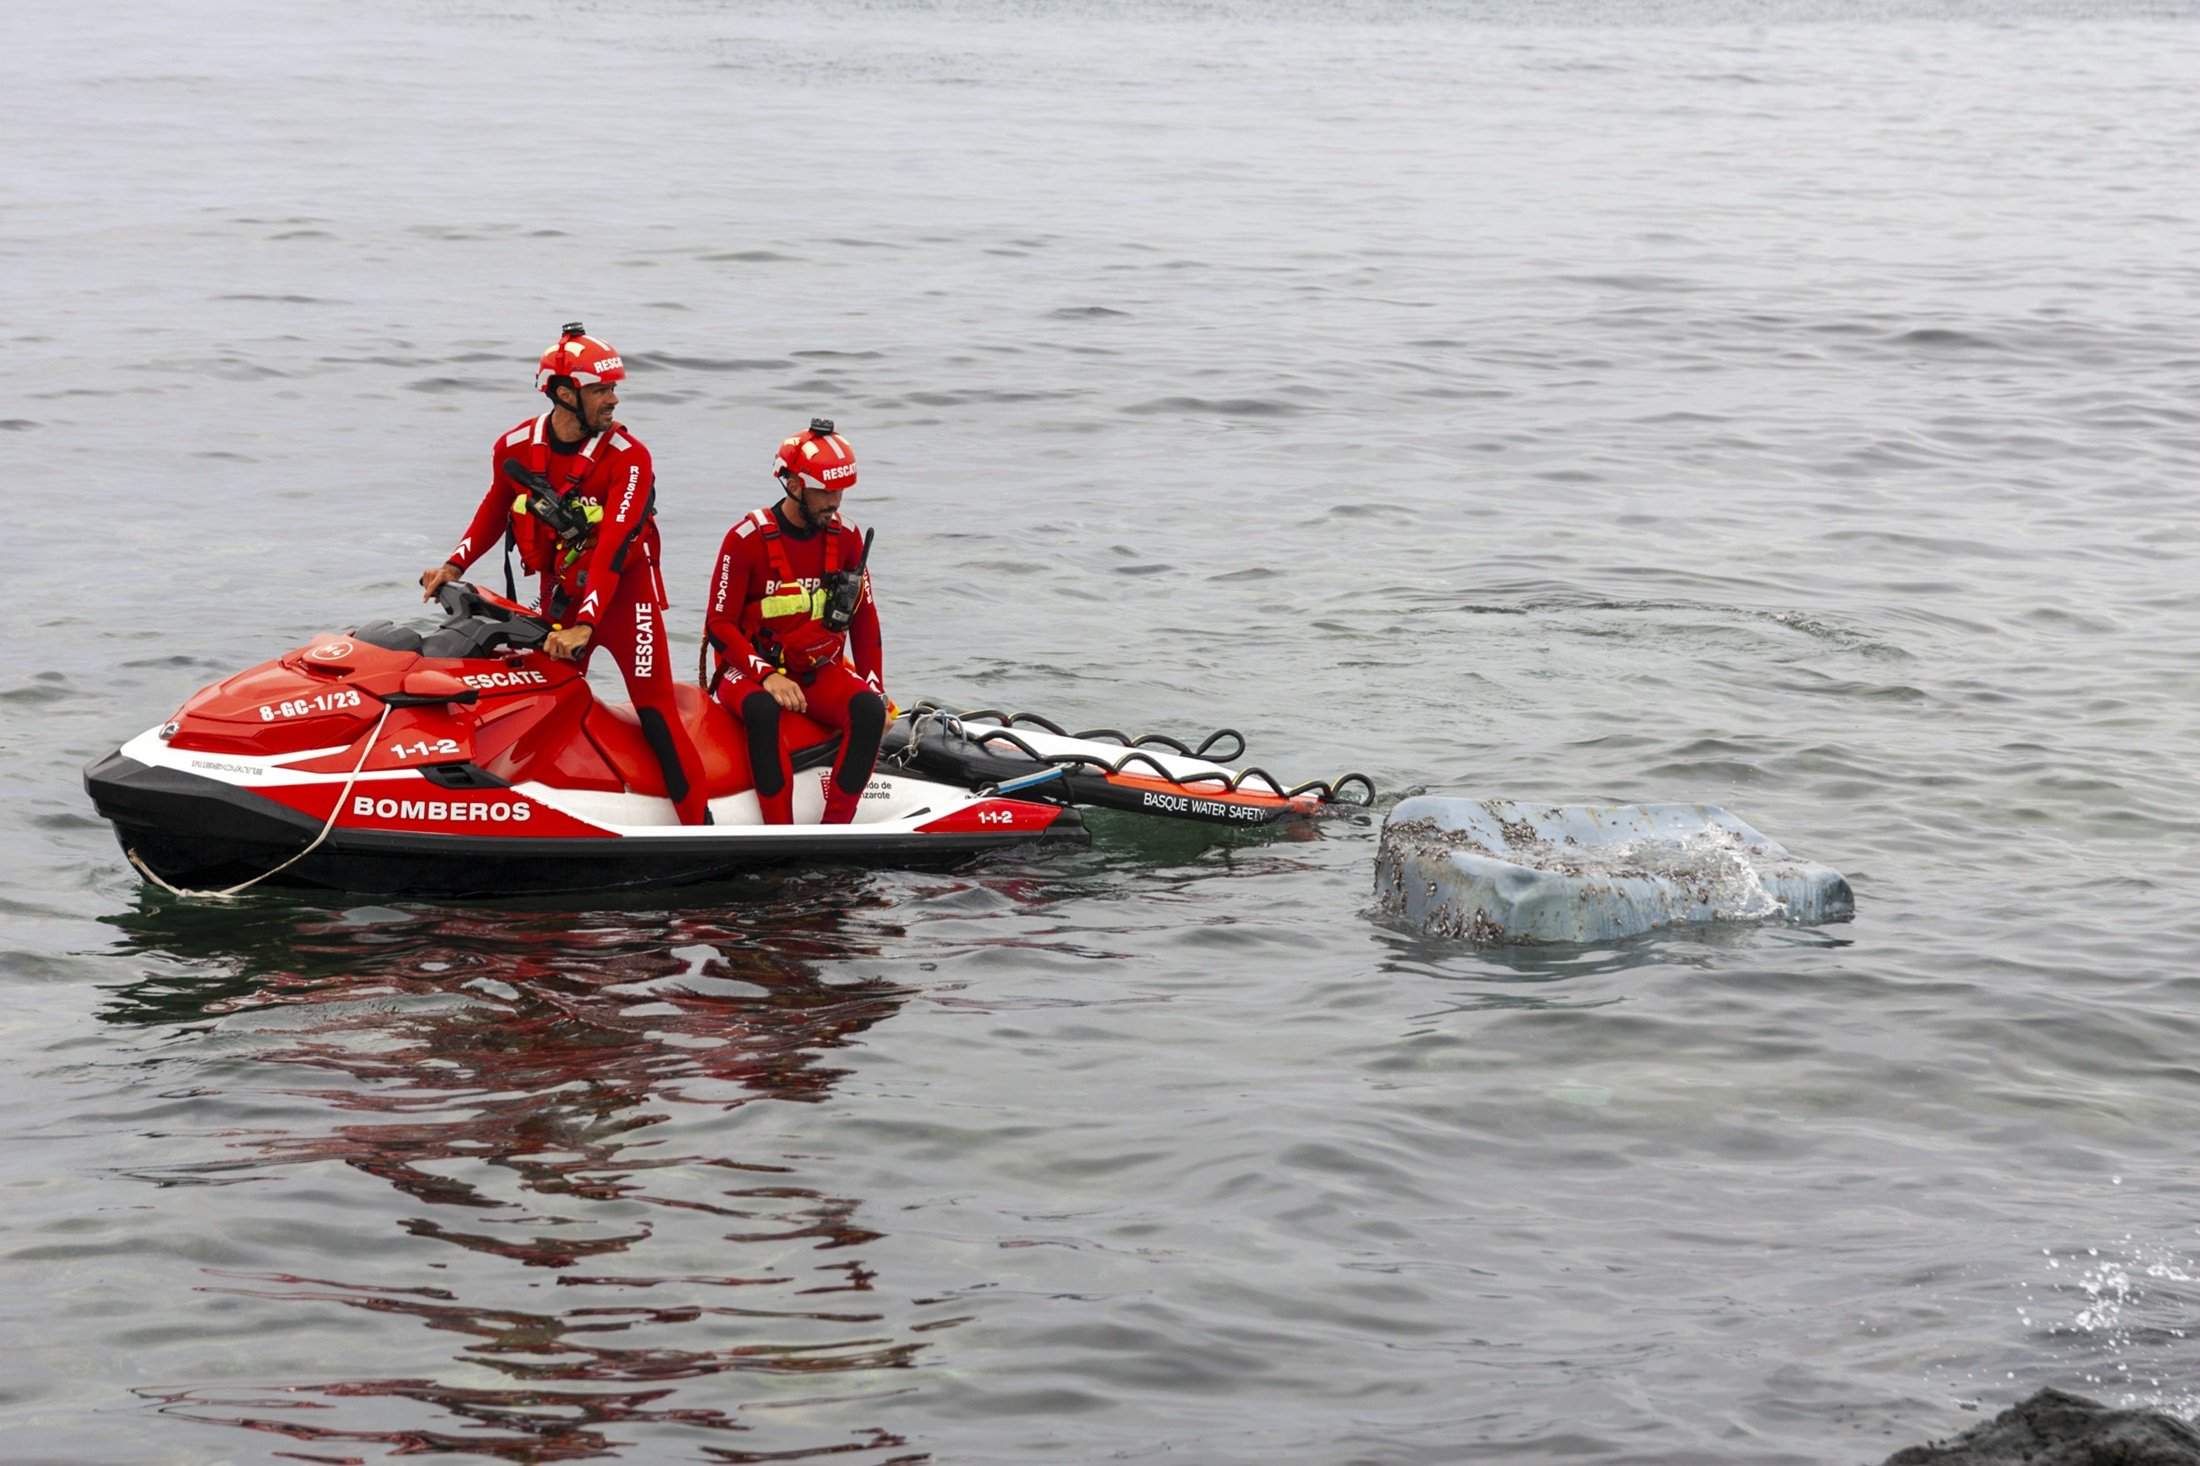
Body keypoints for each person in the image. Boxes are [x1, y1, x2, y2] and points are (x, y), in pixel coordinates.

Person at [419, 323, 710, 826]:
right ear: (562, 392)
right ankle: (516, 811)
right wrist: (454, 564)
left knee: (657, 714)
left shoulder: (630, 459)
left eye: (614, 388)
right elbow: (494, 509)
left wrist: (586, 625)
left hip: (624, 599)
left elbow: (614, 550)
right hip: (561, 598)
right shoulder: (513, 448)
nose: (613, 400)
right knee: (533, 700)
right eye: (601, 389)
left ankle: (699, 825)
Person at [702, 419, 886, 825]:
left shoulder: (849, 538)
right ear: (795, 486)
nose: (835, 501)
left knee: (870, 712)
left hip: (816, 670)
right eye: (825, 491)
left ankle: (835, 829)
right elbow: (719, 625)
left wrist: (875, 684)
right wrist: (766, 675)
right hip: (746, 670)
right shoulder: (745, 539)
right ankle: (776, 830)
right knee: (763, 711)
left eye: (840, 490)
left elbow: (865, 621)